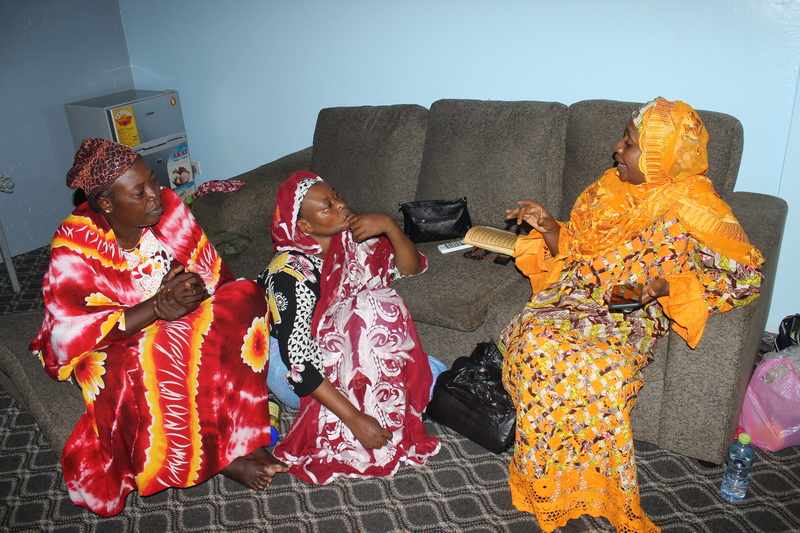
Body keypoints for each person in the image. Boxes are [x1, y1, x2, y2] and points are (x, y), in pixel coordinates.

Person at [499, 98, 764, 532]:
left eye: (629, 141)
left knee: (602, 370)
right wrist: (547, 226)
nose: (617, 149)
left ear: (659, 156)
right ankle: (547, 480)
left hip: (629, 303)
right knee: (536, 345)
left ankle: (597, 486)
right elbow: (576, 252)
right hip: (575, 290)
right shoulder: (607, 188)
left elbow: (742, 279)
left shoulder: (696, 206)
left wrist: (667, 287)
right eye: (623, 138)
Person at [29, 138, 287, 517]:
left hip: (179, 319)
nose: (155, 195)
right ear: (106, 204)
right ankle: (216, 457)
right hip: (116, 344)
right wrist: (157, 307)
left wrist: (192, 291)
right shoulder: (75, 243)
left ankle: (243, 436)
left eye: (152, 180)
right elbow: (72, 335)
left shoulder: (167, 207)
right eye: (139, 192)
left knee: (247, 295)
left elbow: (211, 276)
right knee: (163, 349)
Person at [257, 171, 440, 484]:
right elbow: (300, 364)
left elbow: (410, 268)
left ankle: (370, 390)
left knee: (434, 376)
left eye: (336, 196)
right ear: (305, 227)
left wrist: (391, 227)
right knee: (371, 304)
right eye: (328, 206)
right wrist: (355, 419)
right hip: (290, 370)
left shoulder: (354, 242)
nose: (341, 205)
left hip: (346, 346)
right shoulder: (289, 274)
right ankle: (351, 406)